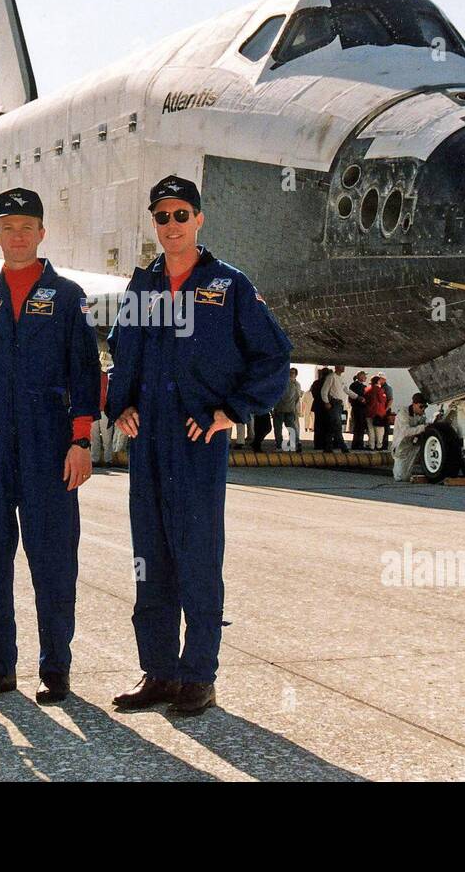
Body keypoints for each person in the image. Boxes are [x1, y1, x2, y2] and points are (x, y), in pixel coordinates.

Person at [108, 175, 291, 716]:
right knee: (151, 559)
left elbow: (273, 356)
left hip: (195, 443)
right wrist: (121, 406)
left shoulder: (228, 286)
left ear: (199, 219)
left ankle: (199, 676)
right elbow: (124, 351)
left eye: (180, 215)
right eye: (161, 216)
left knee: (196, 559)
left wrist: (230, 411)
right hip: (148, 444)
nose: (171, 226)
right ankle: (159, 672)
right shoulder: (142, 287)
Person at [0, 187, 101, 705]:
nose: (17, 236)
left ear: (42, 233)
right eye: (7, 227)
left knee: (53, 563)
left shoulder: (68, 296)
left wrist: (81, 440)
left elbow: (84, 371)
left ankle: (56, 671)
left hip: (50, 448)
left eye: (27, 227)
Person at [391, 392, 430, 481]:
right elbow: (406, 431)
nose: (423, 409)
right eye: (421, 407)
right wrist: (423, 428)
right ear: (414, 404)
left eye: (425, 407)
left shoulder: (421, 415)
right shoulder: (403, 414)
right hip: (401, 447)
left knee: (406, 476)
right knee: (399, 477)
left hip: (413, 446)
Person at [321, 364, 351, 453]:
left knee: (332, 426)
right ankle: (343, 447)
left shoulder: (341, 378)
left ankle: (328, 447)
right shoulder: (331, 377)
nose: (344, 367)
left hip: (339, 404)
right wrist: (326, 401)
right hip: (334, 403)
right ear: (337, 367)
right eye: (342, 366)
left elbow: (346, 390)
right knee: (337, 425)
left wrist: (357, 396)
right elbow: (324, 390)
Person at [272, 367, 302, 452]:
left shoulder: (280, 383)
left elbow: (276, 396)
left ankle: (279, 446)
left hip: (280, 409)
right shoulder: (296, 385)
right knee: (291, 428)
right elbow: (297, 398)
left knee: (278, 428)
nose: (291, 374)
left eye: (292, 372)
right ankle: (294, 445)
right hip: (290, 410)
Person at [365, 374, 389, 450]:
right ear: (378, 381)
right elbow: (383, 400)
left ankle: (371, 445)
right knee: (379, 430)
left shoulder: (367, 389)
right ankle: (379, 446)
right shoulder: (380, 390)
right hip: (379, 413)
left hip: (369, 412)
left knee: (370, 430)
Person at [310, 368, 331, 450]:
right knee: (326, 426)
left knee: (318, 425)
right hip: (326, 406)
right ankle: (325, 444)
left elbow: (313, 393)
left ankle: (317, 444)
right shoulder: (328, 383)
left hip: (317, 406)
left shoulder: (316, 383)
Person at [347, 370, 369, 449]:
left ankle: (357, 444)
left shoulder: (354, 385)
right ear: (360, 376)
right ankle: (358, 444)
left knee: (359, 426)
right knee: (359, 426)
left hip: (358, 408)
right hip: (359, 408)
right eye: (364, 376)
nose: (365, 377)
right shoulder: (357, 385)